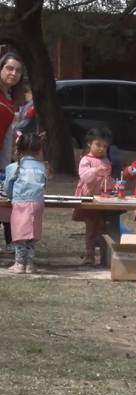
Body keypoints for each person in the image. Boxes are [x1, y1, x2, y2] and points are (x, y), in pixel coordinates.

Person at [4, 131, 46, 274]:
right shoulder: (42, 168)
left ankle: (19, 263)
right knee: (31, 234)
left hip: (20, 203)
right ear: (39, 149)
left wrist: (11, 196)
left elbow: (8, 187)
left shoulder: (14, 167)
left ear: (19, 148)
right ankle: (29, 264)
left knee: (19, 234)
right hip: (37, 203)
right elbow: (43, 184)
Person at [72, 128, 115, 265]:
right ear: (89, 143)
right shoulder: (86, 159)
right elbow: (84, 176)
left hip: (103, 198)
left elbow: (107, 178)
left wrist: (113, 185)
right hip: (89, 198)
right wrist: (95, 170)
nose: (101, 149)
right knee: (91, 229)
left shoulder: (106, 160)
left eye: (105, 146)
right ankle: (89, 255)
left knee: (103, 229)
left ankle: (104, 257)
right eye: (98, 145)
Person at [0, 53, 25, 252]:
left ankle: (11, 244)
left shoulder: (10, 99)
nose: (13, 73)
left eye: (17, 70)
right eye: (9, 68)